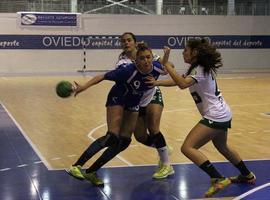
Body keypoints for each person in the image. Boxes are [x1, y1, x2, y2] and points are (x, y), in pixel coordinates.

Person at [147, 39, 256, 197]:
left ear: (195, 53)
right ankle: (247, 175)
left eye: (186, 50)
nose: (183, 52)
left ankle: (217, 178)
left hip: (216, 115)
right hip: (221, 113)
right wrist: (158, 82)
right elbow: (179, 81)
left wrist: (169, 67)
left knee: (187, 148)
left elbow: (183, 84)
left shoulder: (199, 69)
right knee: (222, 146)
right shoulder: (195, 69)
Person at [66, 42, 168, 186]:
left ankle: (91, 172)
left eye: (148, 57)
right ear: (136, 60)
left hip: (133, 102)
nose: (146, 61)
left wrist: (167, 55)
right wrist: (83, 87)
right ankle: (76, 166)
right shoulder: (127, 71)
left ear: (152, 57)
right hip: (118, 97)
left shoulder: (156, 67)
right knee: (112, 136)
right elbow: (102, 76)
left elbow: (165, 66)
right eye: (142, 58)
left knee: (125, 141)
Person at [116, 32, 174, 179]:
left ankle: (167, 165)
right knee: (140, 136)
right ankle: (164, 149)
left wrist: (166, 63)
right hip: (136, 100)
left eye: (129, 40)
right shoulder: (121, 62)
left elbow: (166, 65)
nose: (126, 43)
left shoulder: (147, 55)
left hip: (152, 93)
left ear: (135, 43)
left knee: (153, 127)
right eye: (123, 41)